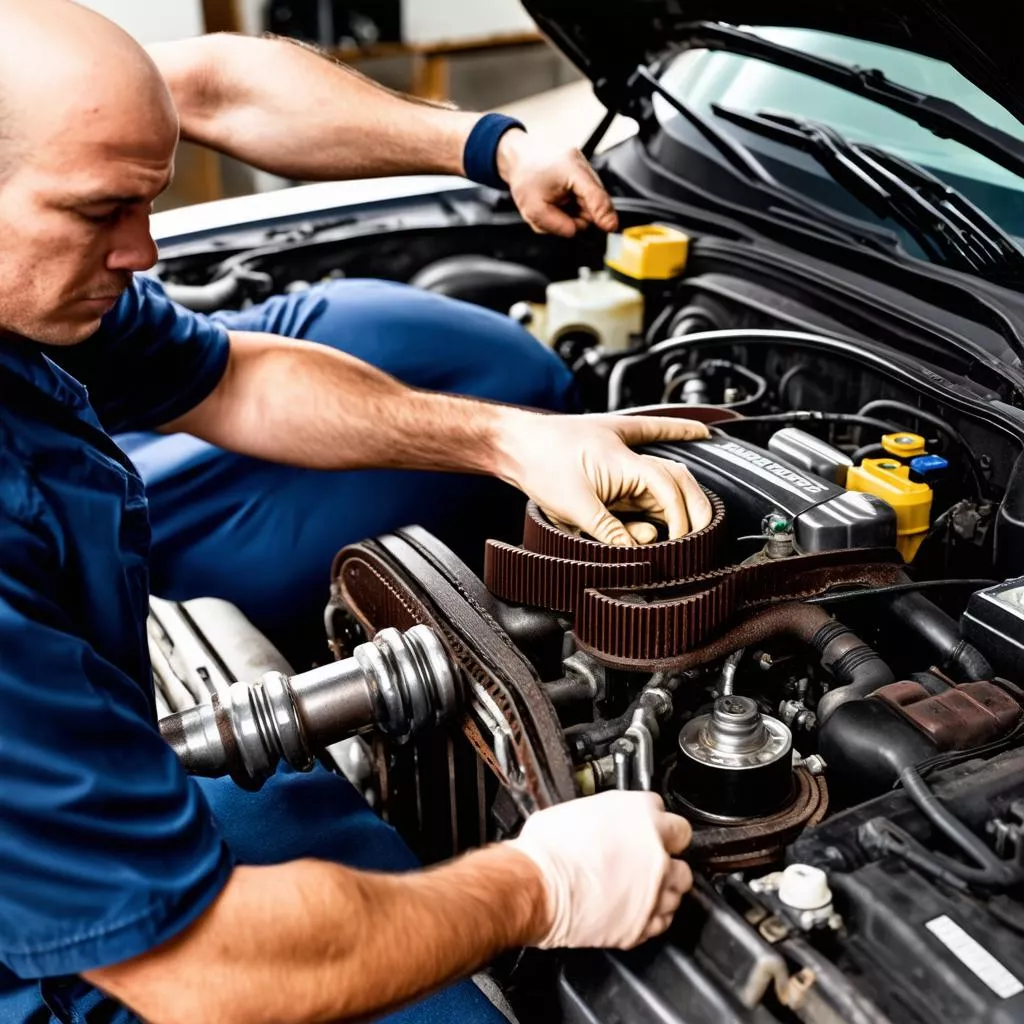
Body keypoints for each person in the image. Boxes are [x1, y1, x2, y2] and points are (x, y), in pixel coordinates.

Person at [0, 2, 711, 1021]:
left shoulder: (29, 282)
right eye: (100, 211)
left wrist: (510, 440)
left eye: (147, 205)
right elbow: (210, 974)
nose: (144, 252)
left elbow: (232, 377)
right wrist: (542, 885)